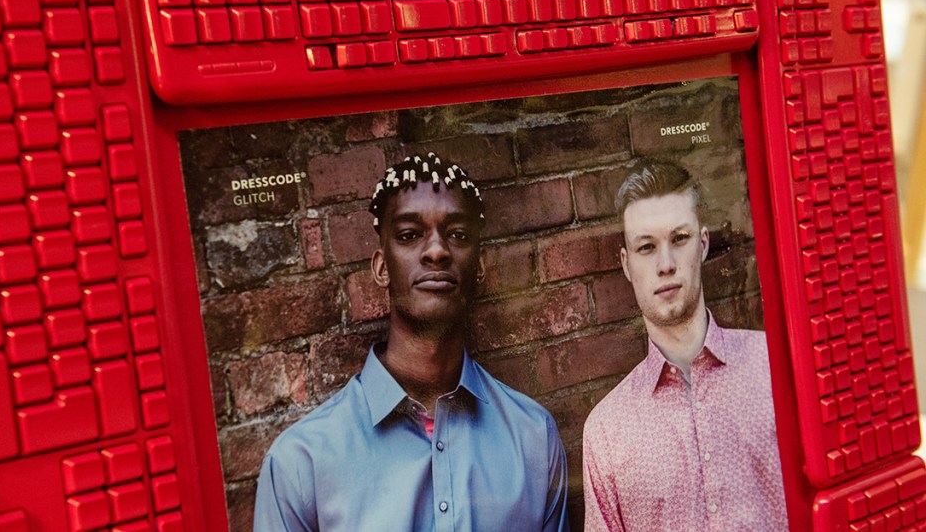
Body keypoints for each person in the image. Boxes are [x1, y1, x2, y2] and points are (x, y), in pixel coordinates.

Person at [255, 152, 569, 531]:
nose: (436, 250)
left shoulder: (533, 436)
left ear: (480, 266)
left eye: (457, 234)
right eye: (409, 235)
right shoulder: (301, 462)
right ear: (382, 266)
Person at [581, 161, 787, 531]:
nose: (666, 264)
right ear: (627, 265)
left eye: (679, 239)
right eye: (646, 247)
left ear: (703, 244)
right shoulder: (607, 433)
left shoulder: (774, 366)